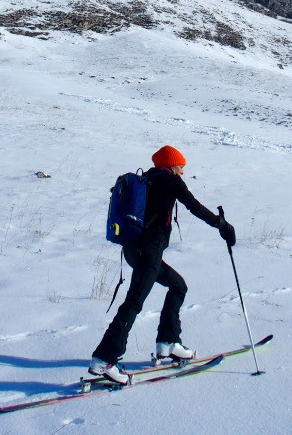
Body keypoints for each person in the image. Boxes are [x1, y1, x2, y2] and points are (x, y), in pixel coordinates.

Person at [89, 145, 236, 384]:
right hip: (149, 252)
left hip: (133, 250)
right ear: (171, 165)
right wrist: (222, 225)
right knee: (134, 302)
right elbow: (194, 206)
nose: (183, 172)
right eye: (180, 166)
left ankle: (168, 342)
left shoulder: (145, 179)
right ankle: (104, 359)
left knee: (178, 286)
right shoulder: (171, 181)